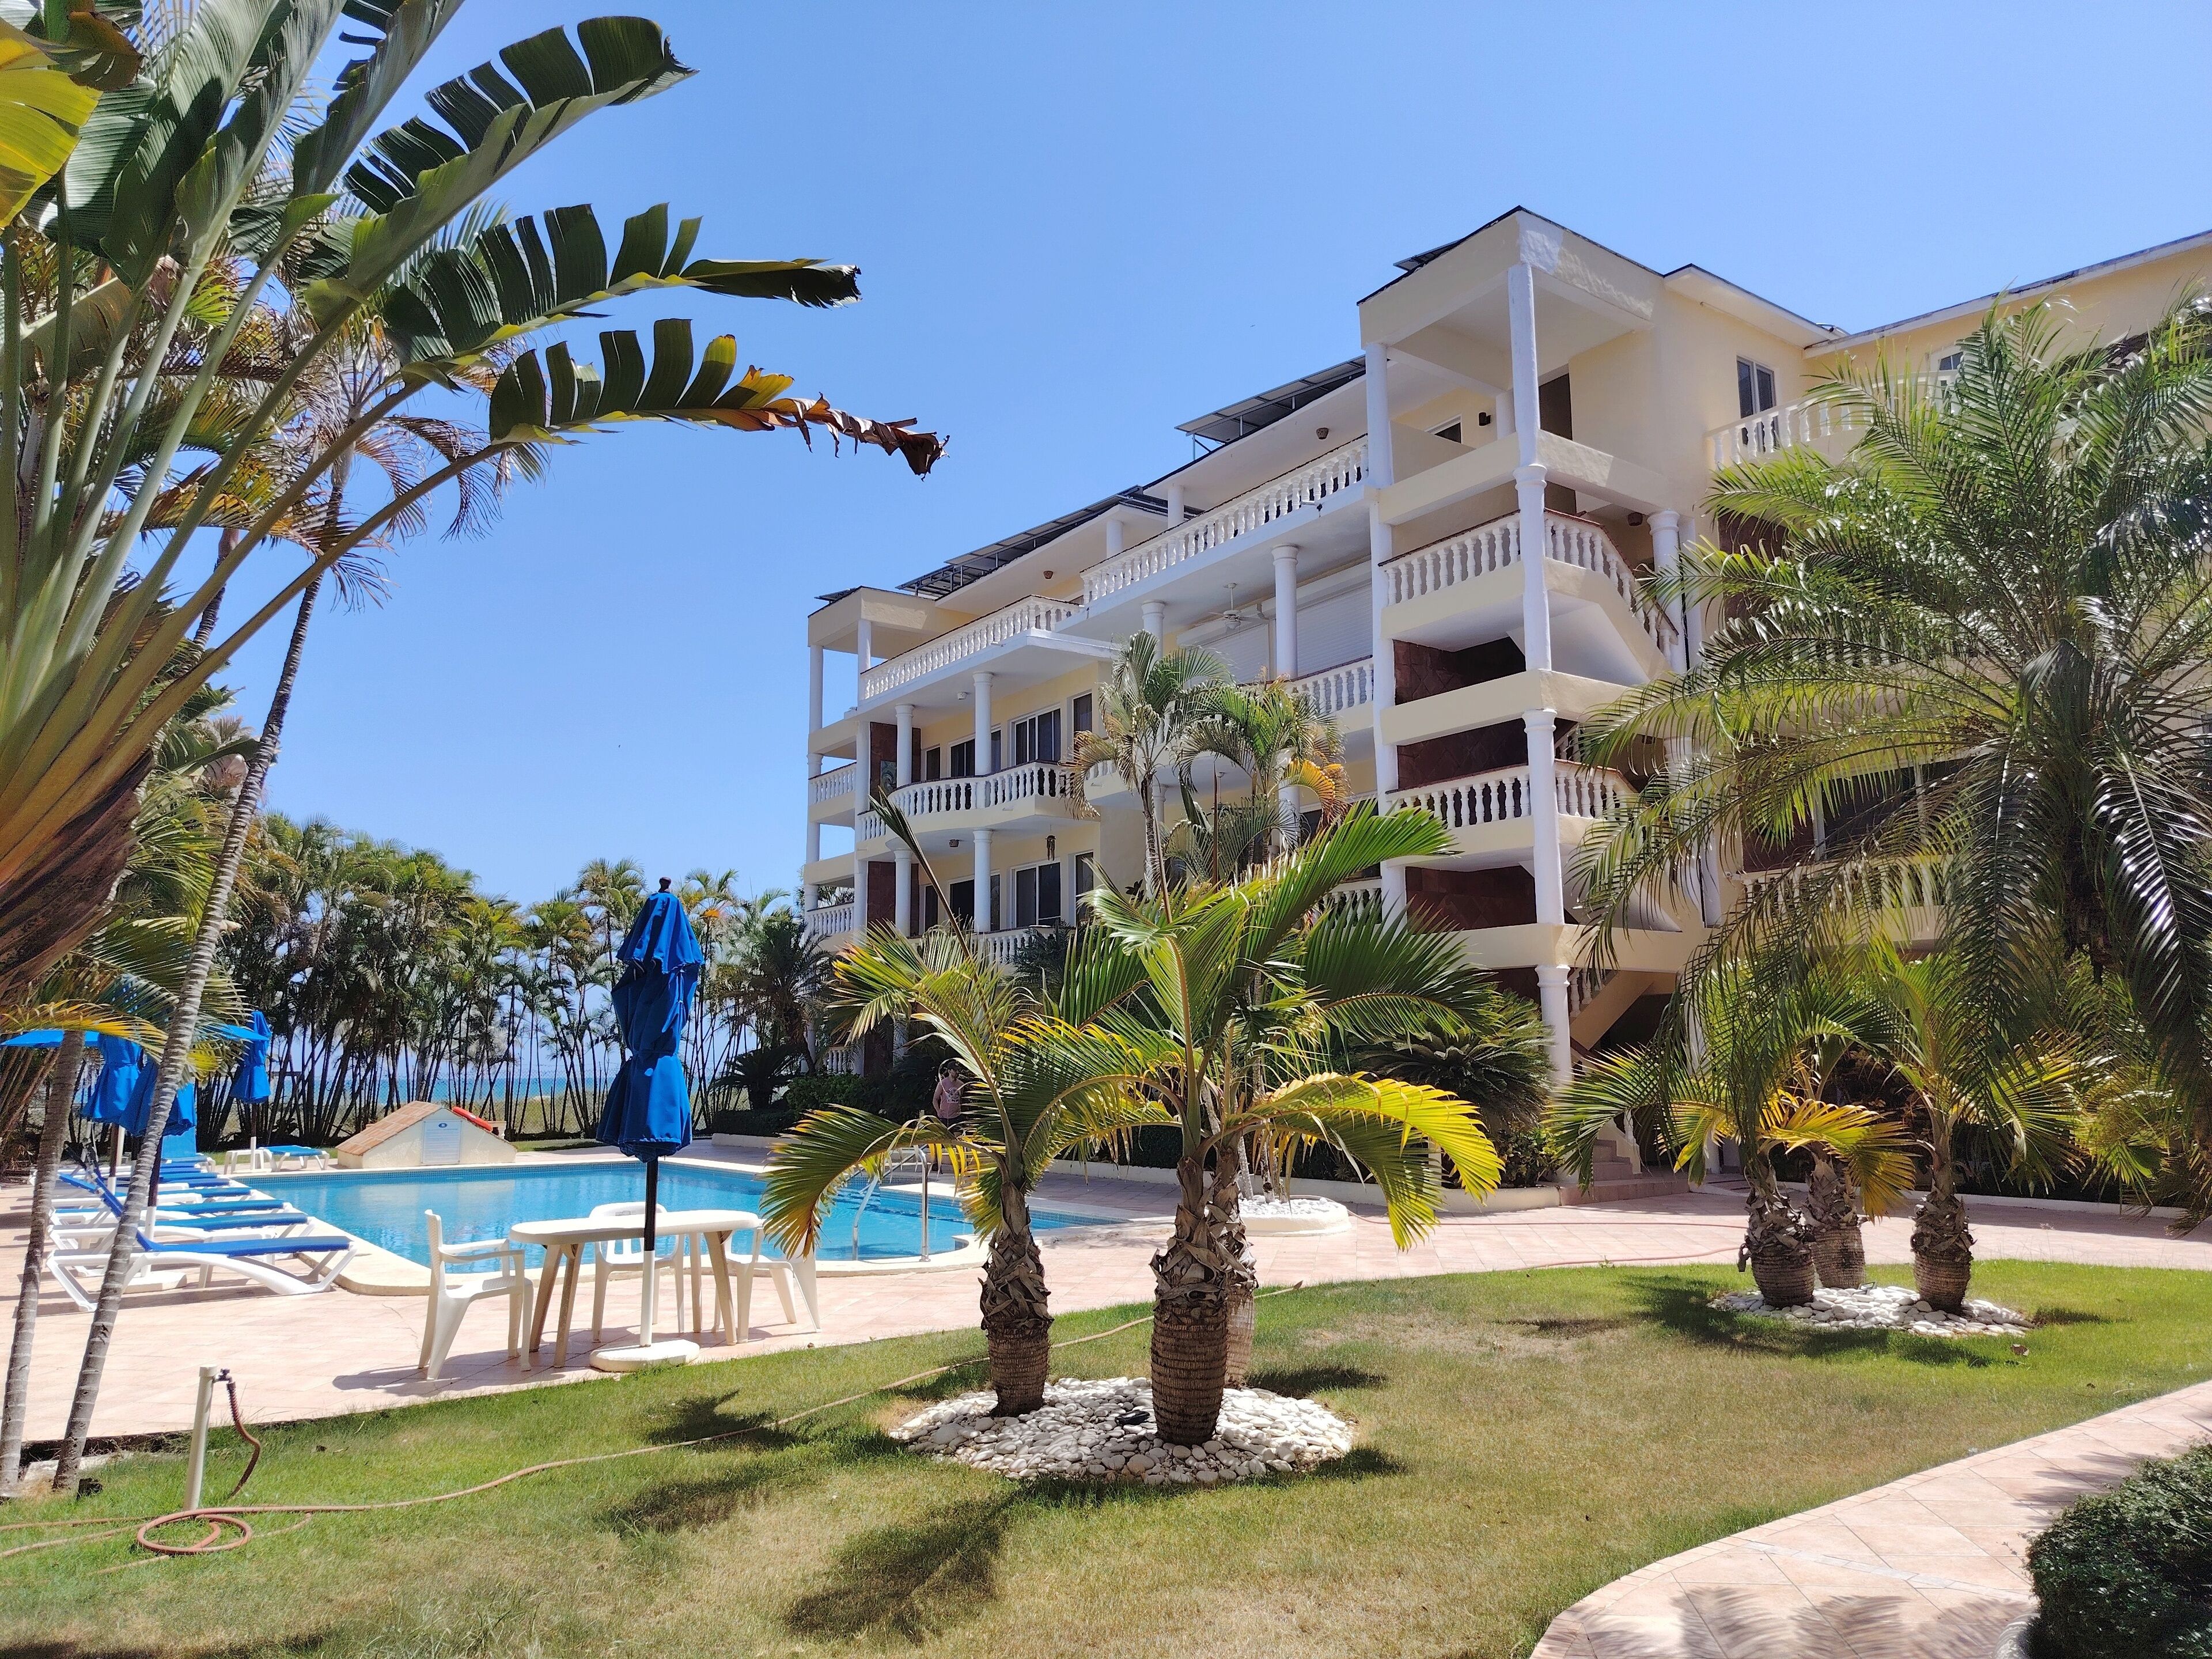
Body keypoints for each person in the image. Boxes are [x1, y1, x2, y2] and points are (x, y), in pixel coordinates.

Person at [930, 1064, 963, 1170]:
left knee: (958, 1141)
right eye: (955, 1070)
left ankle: (960, 1164)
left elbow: (960, 1099)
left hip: (956, 1116)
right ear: (949, 1071)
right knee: (939, 1140)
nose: (957, 1073)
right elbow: (935, 1099)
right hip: (944, 1117)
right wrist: (938, 1111)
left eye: (958, 1071)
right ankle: (935, 1162)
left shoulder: (961, 1084)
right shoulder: (942, 1084)